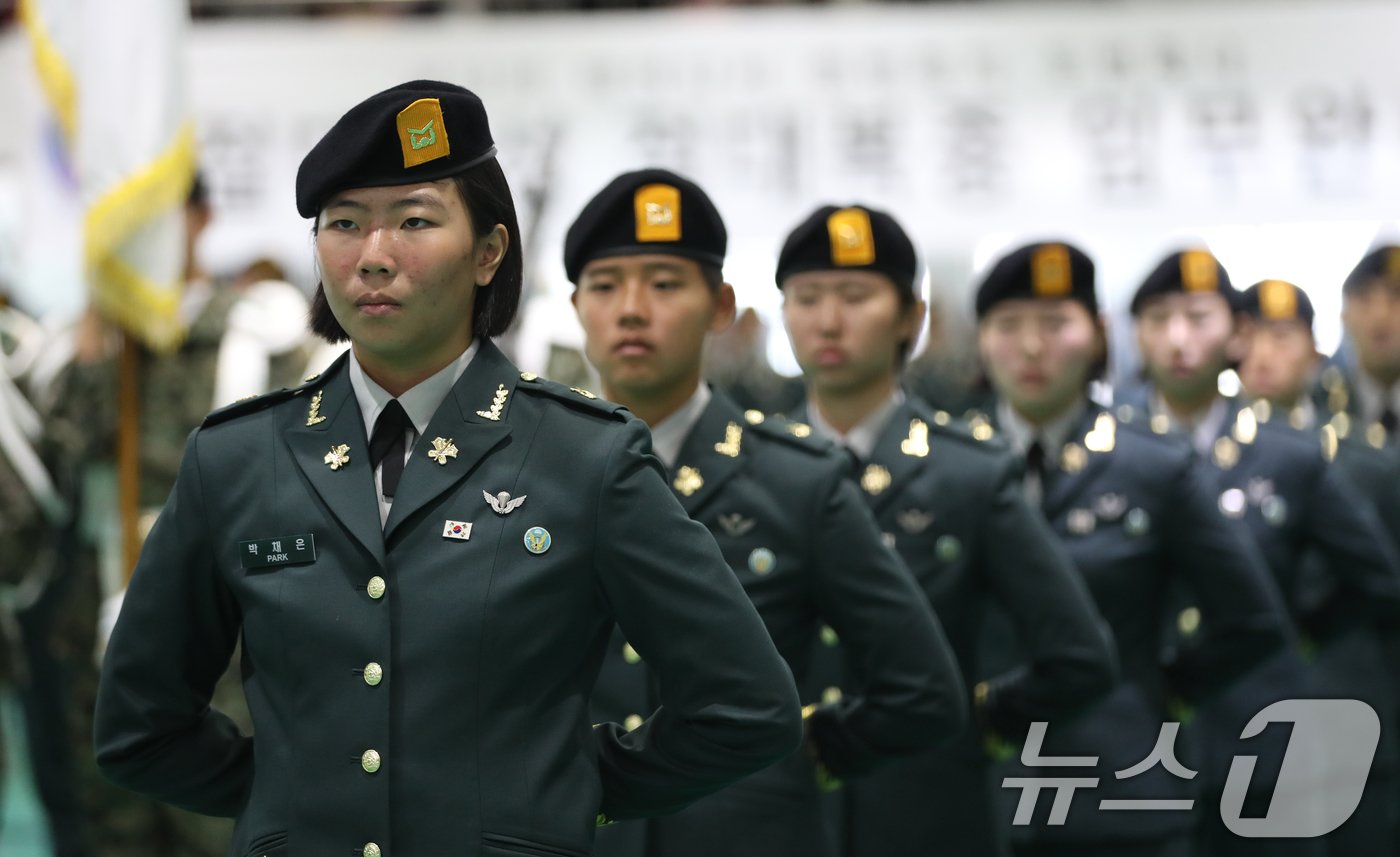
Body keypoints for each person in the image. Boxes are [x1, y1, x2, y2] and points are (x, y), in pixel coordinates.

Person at [93, 81, 802, 857]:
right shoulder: (237, 457)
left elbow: (746, 707)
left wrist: (563, 792)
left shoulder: (584, 455)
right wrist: (291, 797)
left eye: (415, 221)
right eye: (345, 224)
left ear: (489, 251)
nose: (373, 255)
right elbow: (138, 725)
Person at [567, 169, 967, 857]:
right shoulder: (530, 474)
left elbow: (922, 688)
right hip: (573, 835)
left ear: (720, 305)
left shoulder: (794, 479)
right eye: (605, 286)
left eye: (665, 284)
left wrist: (798, 753)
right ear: (576, 305)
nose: (632, 309)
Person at [774, 205, 1117, 857]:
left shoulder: (969, 473)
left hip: (930, 812)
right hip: (770, 817)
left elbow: (1079, 655)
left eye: (855, 296)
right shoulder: (752, 468)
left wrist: (974, 720)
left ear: (911, 316)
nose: (827, 319)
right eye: (806, 297)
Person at [969, 241, 1288, 857]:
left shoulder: (1153, 464)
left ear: (1097, 333)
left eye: (1056, 324)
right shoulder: (952, 465)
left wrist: (1154, 691)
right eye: (1009, 325)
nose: (1031, 348)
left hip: (1120, 786)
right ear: (982, 339)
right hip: (975, 791)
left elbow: (1252, 619)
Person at [1125, 252, 1400, 857]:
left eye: (1199, 317)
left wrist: (1296, 632)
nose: (1179, 338)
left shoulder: (1290, 454)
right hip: (1137, 745)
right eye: (1159, 318)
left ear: (1233, 334)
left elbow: (1379, 578)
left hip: (1264, 739)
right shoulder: (1110, 451)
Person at [1237, 277, 1400, 855]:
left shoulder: (1368, 463)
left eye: (1283, 338)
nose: (1264, 354)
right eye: (1250, 336)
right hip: (1246, 731)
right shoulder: (1197, 465)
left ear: (1314, 349)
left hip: (1352, 708)